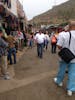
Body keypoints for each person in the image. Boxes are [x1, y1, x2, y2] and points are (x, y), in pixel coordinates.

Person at [53, 21, 75, 96]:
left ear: (69, 26)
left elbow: (59, 46)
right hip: (74, 59)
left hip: (65, 57)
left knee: (62, 70)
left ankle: (59, 82)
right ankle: (70, 89)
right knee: (72, 73)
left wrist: (65, 49)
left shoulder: (63, 35)